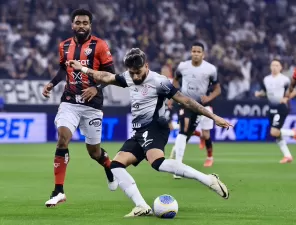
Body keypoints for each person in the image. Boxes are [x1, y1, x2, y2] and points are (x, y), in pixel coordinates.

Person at [68, 48, 231, 217]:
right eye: (132, 73)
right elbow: (106, 77)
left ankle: (208, 180)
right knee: (116, 165)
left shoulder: (159, 81)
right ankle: (141, 206)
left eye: (138, 72)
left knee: (157, 163)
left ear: (146, 66)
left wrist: (213, 116)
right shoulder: (129, 77)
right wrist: (84, 69)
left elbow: (187, 101)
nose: (136, 77)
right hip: (139, 131)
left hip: (155, 126)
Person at [42, 9, 118, 207]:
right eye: (78, 22)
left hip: (92, 105)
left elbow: (111, 74)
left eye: (85, 22)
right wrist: (52, 83)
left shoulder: (100, 45)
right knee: (62, 138)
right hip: (69, 101)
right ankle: (59, 191)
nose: (81, 26)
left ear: (90, 25)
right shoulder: (64, 45)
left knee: (94, 152)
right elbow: (63, 68)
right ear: (72, 25)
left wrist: (96, 87)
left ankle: (109, 166)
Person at [169, 42, 221, 173]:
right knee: (184, 128)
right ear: (191, 52)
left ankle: (209, 156)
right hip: (185, 102)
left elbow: (217, 89)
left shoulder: (211, 69)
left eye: (198, 52)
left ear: (203, 55)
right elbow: (175, 80)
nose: (196, 54)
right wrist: (173, 95)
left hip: (201, 106)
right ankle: (178, 165)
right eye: (194, 51)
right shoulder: (182, 66)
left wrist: (209, 98)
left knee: (200, 133)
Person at [255, 59, 296, 164]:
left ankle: (293, 133)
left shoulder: (285, 79)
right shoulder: (266, 79)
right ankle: (287, 156)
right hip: (271, 108)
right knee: (276, 134)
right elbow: (266, 93)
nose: (274, 67)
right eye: (273, 65)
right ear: (270, 67)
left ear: (281, 67)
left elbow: (294, 91)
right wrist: (259, 94)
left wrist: (286, 99)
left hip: (281, 107)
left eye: (277, 65)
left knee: (274, 132)